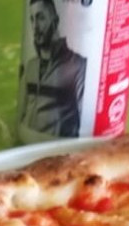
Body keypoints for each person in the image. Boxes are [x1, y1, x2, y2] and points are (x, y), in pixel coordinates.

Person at [18, 0, 88, 137]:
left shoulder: (77, 66)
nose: (35, 26)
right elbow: (21, 113)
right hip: (26, 144)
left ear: (55, 21)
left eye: (41, 18)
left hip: (63, 149)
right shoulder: (31, 67)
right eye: (32, 19)